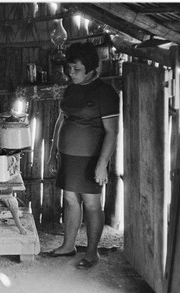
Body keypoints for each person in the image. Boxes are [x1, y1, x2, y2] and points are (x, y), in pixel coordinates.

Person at [48, 42, 120, 269]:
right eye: (69, 68)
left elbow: (112, 132)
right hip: (68, 154)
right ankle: (68, 245)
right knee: (70, 200)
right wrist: (53, 152)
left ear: (91, 69)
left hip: (91, 158)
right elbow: (61, 120)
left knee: (91, 203)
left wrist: (102, 164)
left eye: (76, 69)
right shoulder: (71, 89)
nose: (71, 73)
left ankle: (92, 252)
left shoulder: (105, 93)